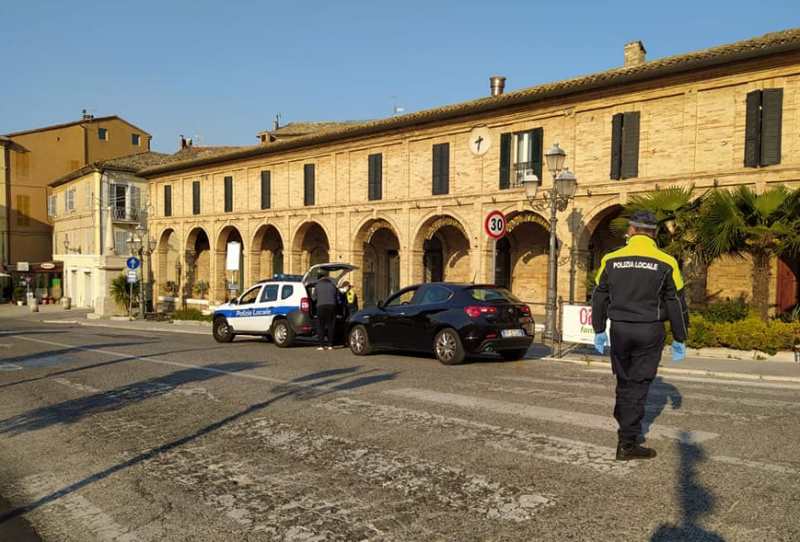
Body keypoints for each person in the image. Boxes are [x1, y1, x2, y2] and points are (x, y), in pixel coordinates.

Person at [591, 210, 688, 461]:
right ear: (654, 233)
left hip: (620, 329)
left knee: (624, 381)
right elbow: (676, 301)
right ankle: (627, 443)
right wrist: (680, 336)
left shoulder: (611, 259)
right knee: (638, 385)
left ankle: (624, 424)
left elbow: (599, 295)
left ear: (631, 231)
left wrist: (599, 329)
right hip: (649, 329)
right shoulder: (666, 261)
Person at [312, 272, 339, 351]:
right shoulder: (333, 286)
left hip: (321, 307)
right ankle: (330, 345)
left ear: (319, 279)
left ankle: (321, 345)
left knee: (321, 326)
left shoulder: (317, 286)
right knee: (331, 326)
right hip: (332, 306)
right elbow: (337, 297)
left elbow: (314, 298)